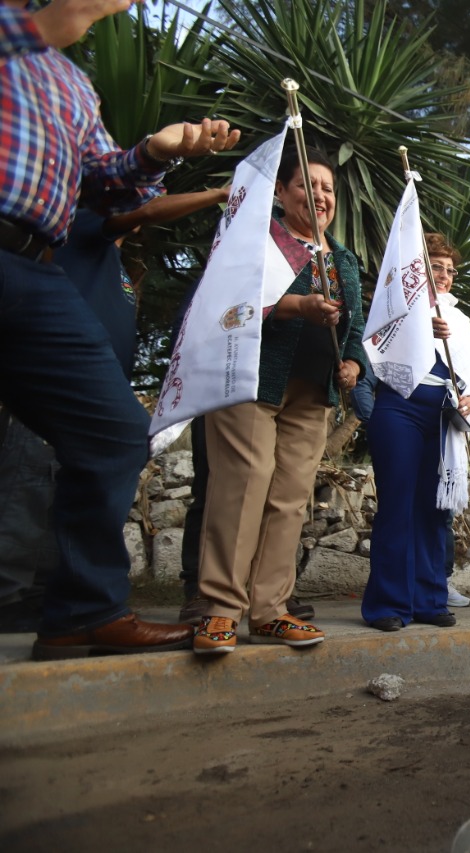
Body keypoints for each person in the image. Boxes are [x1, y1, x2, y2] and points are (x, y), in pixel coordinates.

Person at [1, 0, 239, 659]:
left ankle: (84, 613)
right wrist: (44, 27)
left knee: (113, 430)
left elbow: (107, 189)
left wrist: (151, 152)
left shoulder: (76, 85)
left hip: (34, 267)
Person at [192, 146, 366, 655]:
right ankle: (220, 611)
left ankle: (269, 611)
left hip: (313, 392)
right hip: (253, 382)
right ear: (283, 192)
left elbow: (353, 328)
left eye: (328, 188)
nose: (320, 195)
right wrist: (295, 306)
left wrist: (352, 363)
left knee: (290, 499)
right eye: (307, 185)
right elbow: (225, 300)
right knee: (244, 485)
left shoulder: (344, 259)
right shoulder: (256, 239)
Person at [360, 233, 470, 631]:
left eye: (450, 269)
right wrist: (419, 329)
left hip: (443, 417)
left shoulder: (459, 318)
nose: (444, 274)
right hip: (399, 406)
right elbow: (374, 347)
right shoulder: (398, 304)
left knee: (434, 509)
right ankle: (388, 605)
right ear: (420, 268)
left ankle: (429, 598)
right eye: (436, 266)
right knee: (397, 505)